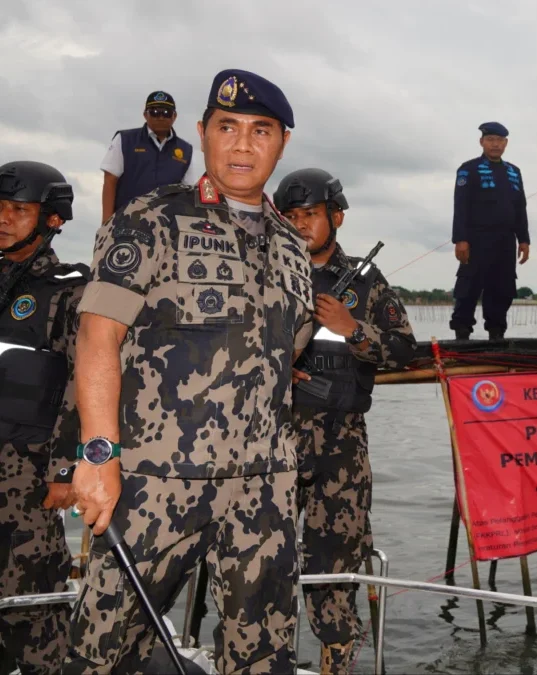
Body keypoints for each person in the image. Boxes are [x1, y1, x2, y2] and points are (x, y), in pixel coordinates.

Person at [66, 69, 312, 674]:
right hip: (157, 482)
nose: (243, 145)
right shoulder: (150, 218)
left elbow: (289, 350)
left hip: (266, 488)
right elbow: (98, 336)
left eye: (262, 131)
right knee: (103, 652)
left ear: (282, 143)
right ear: (201, 133)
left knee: (263, 657)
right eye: (227, 127)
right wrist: (99, 454)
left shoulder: (292, 245)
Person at [274, 168, 417, 673]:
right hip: (269, 444)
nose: (299, 225)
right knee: (262, 564)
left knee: (334, 567)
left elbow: (403, 350)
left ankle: (338, 660)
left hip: (340, 444)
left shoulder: (365, 280)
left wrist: (352, 329)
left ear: (335, 215)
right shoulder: (264, 275)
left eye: (309, 215)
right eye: (289, 217)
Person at [0, 161, 86, 675]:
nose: (3, 219)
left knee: (30, 597)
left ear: (51, 219)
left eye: (18, 209)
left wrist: (63, 470)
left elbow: (83, 384)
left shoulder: (69, 291)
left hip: (26, 473)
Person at [449, 121, 530, 341]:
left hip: (505, 240)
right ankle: (462, 333)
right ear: (482, 142)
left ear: (506, 143)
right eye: (490, 140)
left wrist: (524, 240)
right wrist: (460, 239)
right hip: (476, 239)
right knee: (468, 287)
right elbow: (460, 205)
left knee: (502, 289)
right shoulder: (469, 169)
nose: (495, 145)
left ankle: (497, 334)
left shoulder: (514, 172)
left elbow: (520, 207)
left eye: (499, 141)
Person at [100, 90, 203, 222]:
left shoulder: (186, 150)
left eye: (166, 113)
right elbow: (110, 181)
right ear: (145, 115)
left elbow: (187, 192)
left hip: (165, 228)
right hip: (125, 223)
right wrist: (106, 224)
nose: (160, 117)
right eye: (154, 112)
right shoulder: (125, 140)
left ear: (174, 116)